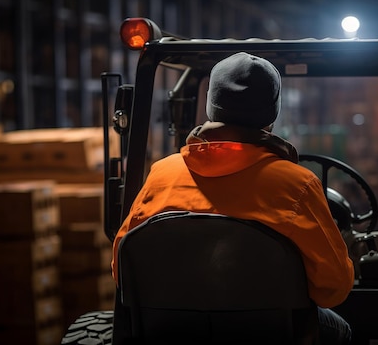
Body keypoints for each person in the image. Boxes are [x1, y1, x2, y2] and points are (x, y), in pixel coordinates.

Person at [111, 51, 354, 344]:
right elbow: (333, 289)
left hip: (169, 332)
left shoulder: (161, 175)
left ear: (211, 106)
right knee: (341, 330)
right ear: (271, 114)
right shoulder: (297, 185)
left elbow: (120, 269)